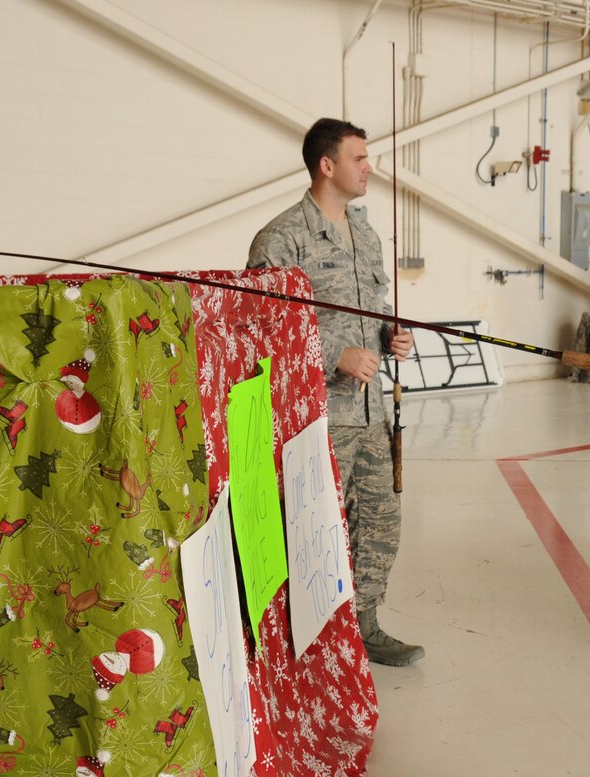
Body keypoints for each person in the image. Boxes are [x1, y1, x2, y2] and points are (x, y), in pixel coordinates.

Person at [248, 118, 424, 667]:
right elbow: (259, 328)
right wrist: (335, 356)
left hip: (372, 414)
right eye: (359, 158)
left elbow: (373, 306)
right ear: (328, 165)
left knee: (378, 523)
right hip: (315, 416)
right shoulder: (281, 239)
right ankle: (303, 644)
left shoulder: (366, 234)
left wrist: (393, 333)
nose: (369, 166)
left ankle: (362, 625)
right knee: (311, 529)